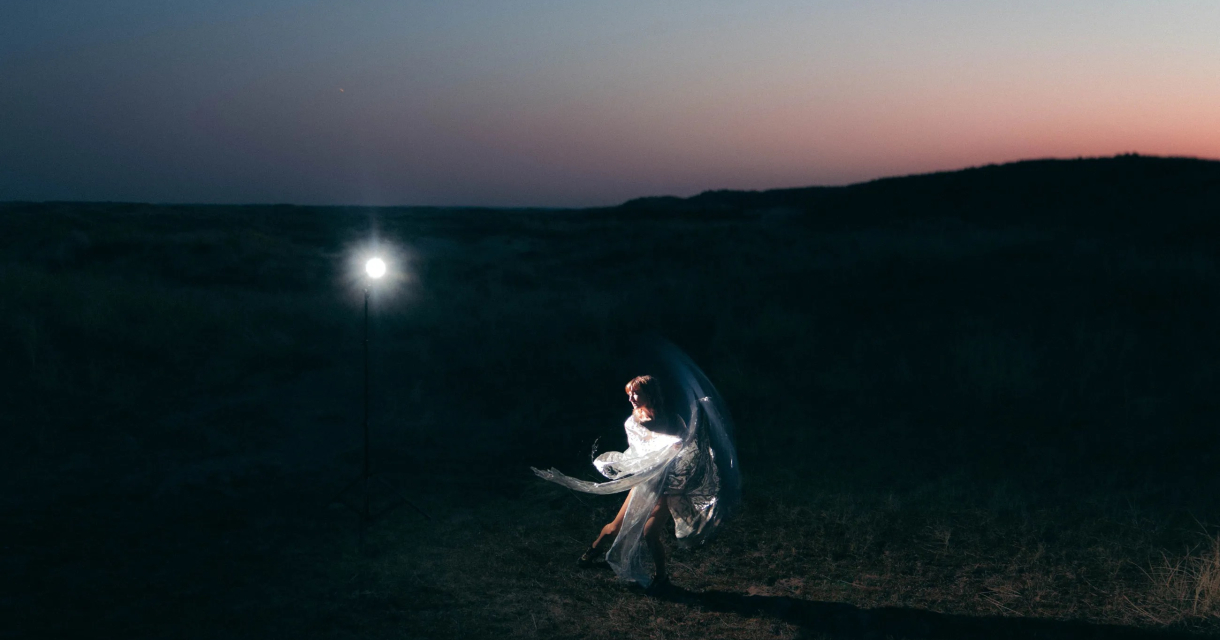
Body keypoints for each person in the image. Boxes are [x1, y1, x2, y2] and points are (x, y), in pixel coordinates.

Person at [533, 350, 739, 593]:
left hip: (668, 487)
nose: (631, 398)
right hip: (647, 483)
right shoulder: (634, 422)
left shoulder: (671, 418)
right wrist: (672, 443)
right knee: (615, 528)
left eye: (635, 393)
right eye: (629, 393)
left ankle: (662, 578)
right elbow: (647, 448)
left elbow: (685, 445)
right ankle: (592, 551)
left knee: (650, 533)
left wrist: (697, 421)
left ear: (649, 394)